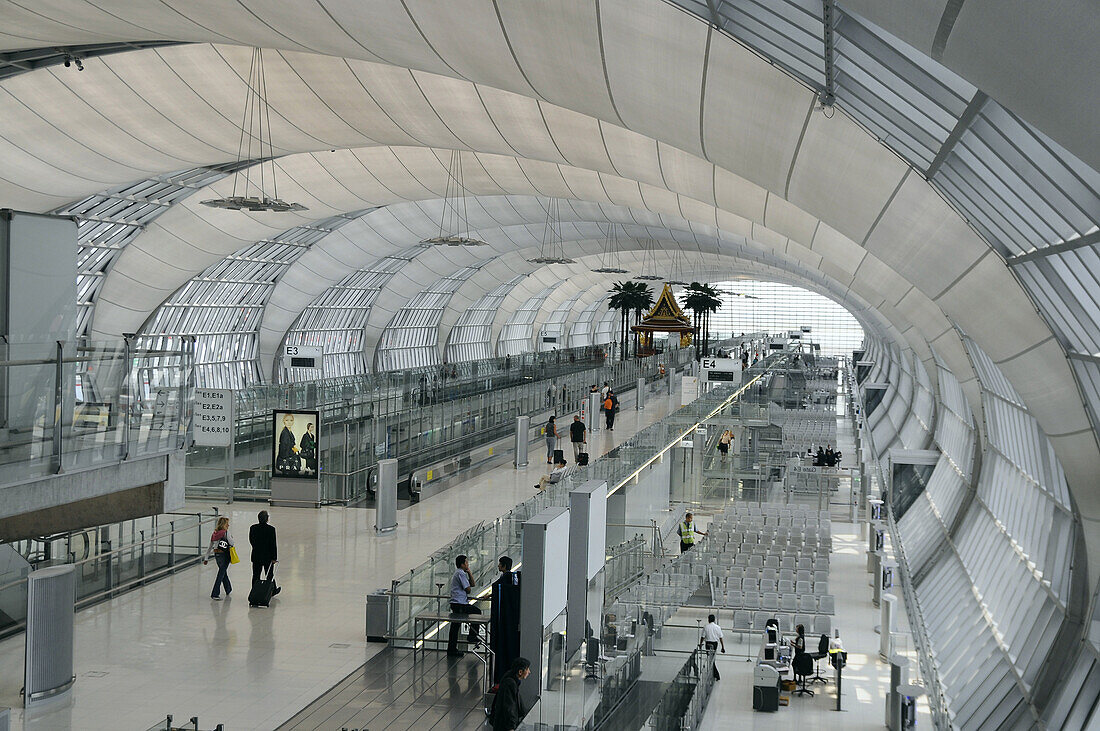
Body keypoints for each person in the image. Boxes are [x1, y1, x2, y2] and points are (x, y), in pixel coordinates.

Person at [447, 554, 481, 656]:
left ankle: (451, 649)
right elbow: (469, 589)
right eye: (466, 562)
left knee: (455, 627)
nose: (468, 564)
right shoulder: (460, 574)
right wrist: (468, 573)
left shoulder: (460, 573)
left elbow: (473, 584)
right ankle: (472, 635)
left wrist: (469, 572)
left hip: (456, 604)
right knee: (477, 612)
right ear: (462, 564)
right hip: (460, 604)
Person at [489, 657, 532, 731]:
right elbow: (509, 706)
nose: (529, 672)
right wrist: (511, 727)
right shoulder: (510, 683)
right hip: (504, 726)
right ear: (520, 672)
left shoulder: (510, 679)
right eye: (527, 669)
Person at [203, 516, 234, 600]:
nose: (228, 525)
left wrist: (206, 558)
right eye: (227, 524)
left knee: (223, 571)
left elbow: (210, 547)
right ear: (224, 524)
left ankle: (228, 589)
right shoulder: (226, 533)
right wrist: (231, 537)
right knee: (221, 574)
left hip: (217, 555)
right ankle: (215, 593)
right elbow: (232, 543)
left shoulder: (215, 533)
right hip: (225, 555)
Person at [248, 510, 279, 594]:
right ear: (267, 519)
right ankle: (272, 590)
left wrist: (256, 547)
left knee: (256, 575)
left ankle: (254, 591)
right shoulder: (271, 529)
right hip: (267, 557)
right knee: (269, 574)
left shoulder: (253, 528)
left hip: (256, 555)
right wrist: (274, 557)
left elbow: (251, 540)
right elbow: (273, 544)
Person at [701, 614, 725, 680]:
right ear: (714, 620)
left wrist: (700, 644)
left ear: (708, 619)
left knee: (710, 659)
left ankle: (716, 675)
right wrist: (723, 647)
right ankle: (714, 674)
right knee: (712, 659)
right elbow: (721, 638)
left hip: (708, 644)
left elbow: (703, 637)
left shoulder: (706, 627)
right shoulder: (718, 627)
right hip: (715, 644)